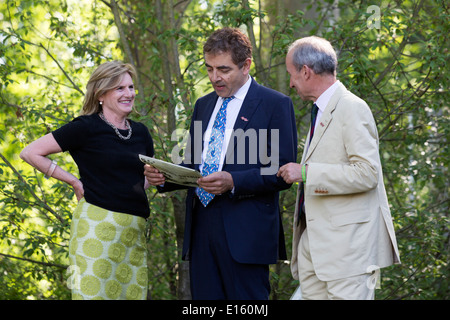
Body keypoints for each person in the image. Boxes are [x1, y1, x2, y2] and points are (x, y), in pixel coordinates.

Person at [144, 27, 297, 300]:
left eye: (224, 70)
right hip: (201, 229)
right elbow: (193, 165)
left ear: (246, 65)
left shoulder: (275, 104)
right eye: (209, 68)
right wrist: (165, 178)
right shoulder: (203, 105)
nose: (215, 77)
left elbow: (283, 170)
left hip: (246, 234)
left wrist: (233, 181)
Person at [278, 36, 401, 300]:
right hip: (315, 248)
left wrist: (306, 173)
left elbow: (367, 173)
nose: (290, 83)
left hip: (348, 254)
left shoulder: (352, 108)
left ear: (306, 72)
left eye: (291, 75)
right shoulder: (320, 110)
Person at [20, 61, 154, 300]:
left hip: (133, 234)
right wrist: (73, 181)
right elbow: (30, 153)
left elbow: (144, 180)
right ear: (101, 94)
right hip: (96, 229)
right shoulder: (86, 127)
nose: (129, 94)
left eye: (131, 87)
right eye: (120, 88)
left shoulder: (142, 132)